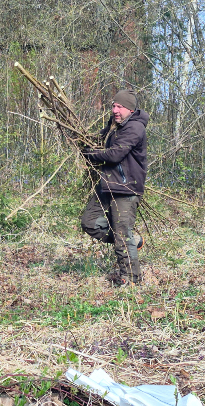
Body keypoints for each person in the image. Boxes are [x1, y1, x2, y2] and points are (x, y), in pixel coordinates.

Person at [81, 89, 148, 286]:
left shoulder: (135, 128)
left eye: (120, 106)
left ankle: (131, 280)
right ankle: (131, 240)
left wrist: (90, 154)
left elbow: (114, 155)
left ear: (130, 109)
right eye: (113, 106)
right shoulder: (114, 126)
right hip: (107, 185)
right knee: (89, 222)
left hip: (126, 188)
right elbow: (98, 141)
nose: (115, 110)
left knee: (121, 235)